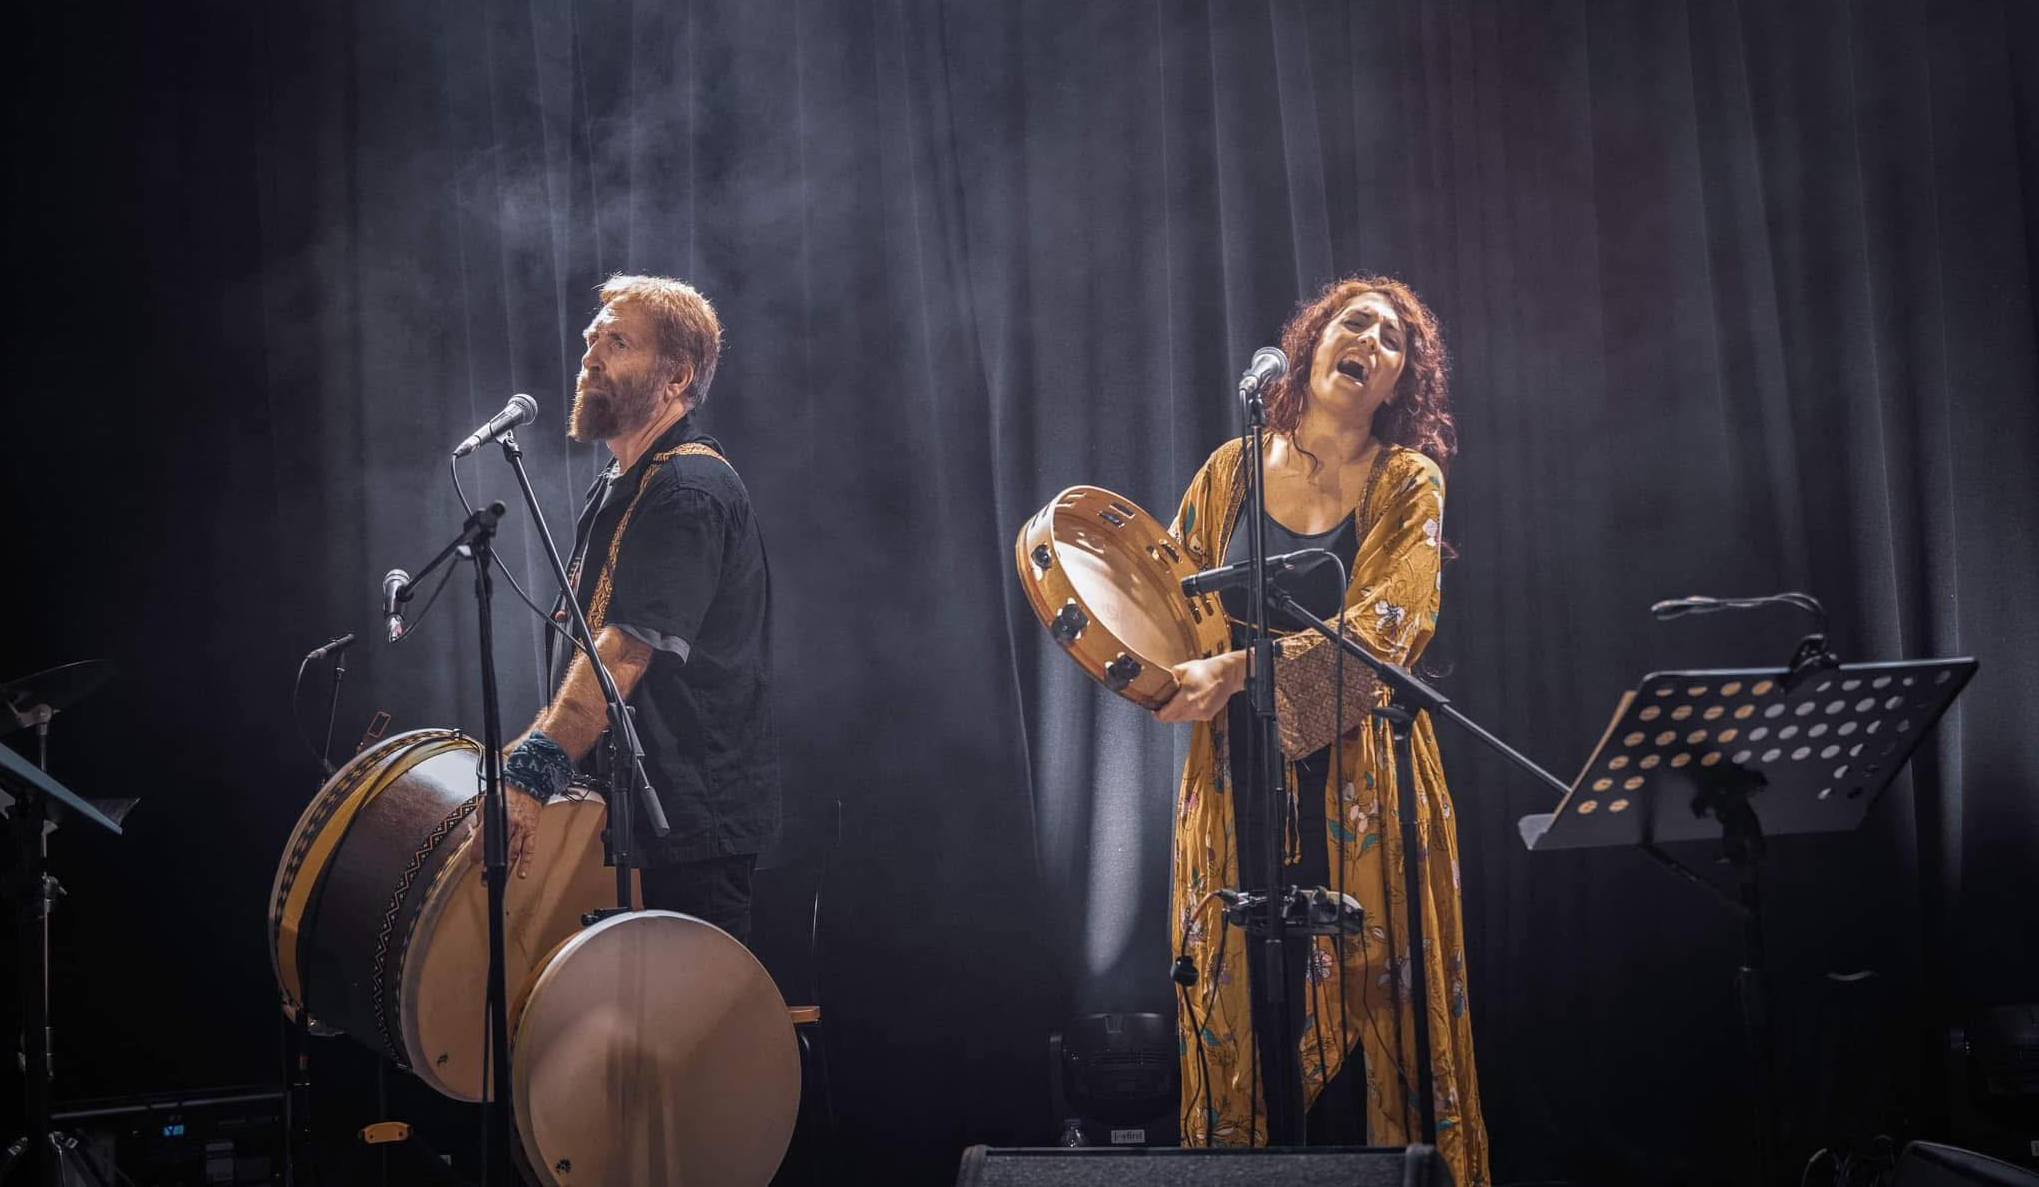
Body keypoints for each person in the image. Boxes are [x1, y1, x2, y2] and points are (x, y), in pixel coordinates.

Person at [1155, 275, 1489, 1183]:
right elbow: (1169, 606)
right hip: (1236, 771)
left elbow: (1389, 625)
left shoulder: (1407, 479)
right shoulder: (1227, 471)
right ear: (1309, 345)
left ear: (1398, 383)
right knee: (1246, 1015)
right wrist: (1138, 658)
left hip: (1365, 771)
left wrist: (1238, 669)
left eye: (1393, 341)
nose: (1371, 341)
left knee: (1379, 1011)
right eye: (1356, 322)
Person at [499, 274, 780, 942]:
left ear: (677, 376)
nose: (590, 357)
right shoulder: (622, 483)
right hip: (626, 827)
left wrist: (532, 770)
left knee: (688, 1007)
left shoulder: (688, 488)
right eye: (591, 339)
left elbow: (621, 653)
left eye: (617, 343)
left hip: (686, 831)